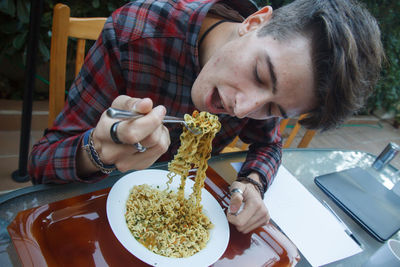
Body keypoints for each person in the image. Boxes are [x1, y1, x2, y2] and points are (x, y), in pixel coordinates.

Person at [29, 0, 384, 233]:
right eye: (260, 74)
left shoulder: (269, 92)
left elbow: (269, 145)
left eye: (274, 109)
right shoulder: (133, 34)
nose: (243, 109)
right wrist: (96, 151)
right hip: (89, 216)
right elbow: (41, 162)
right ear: (255, 21)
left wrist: (252, 184)